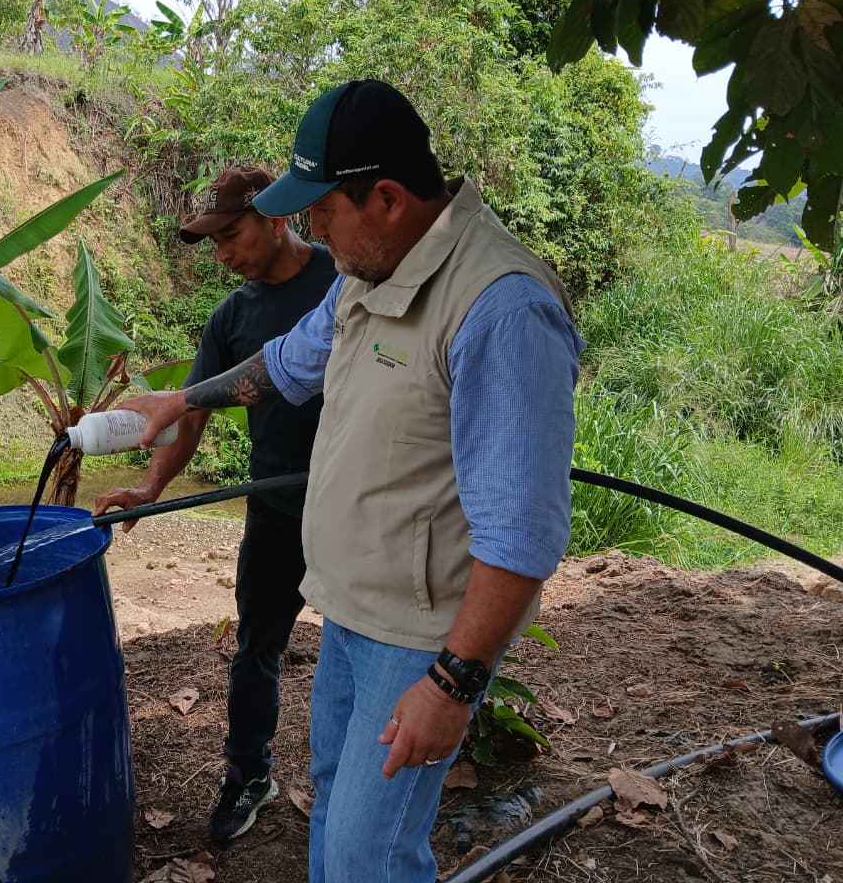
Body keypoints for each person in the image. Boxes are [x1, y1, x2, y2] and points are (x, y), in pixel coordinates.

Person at [115, 80, 584, 883]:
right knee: (334, 812)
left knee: (372, 855)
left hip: (421, 638)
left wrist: (453, 683)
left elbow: (522, 535)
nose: (315, 231)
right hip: (351, 609)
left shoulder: (501, 309)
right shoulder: (367, 273)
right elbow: (290, 364)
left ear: (389, 199)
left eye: (324, 211)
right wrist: (180, 402)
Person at [94, 165, 338, 842]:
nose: (223, 254)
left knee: (364, 638)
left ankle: (369, 777)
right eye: (215, 242)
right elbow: (191, 414)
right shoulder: (232, 317)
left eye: (232, 236)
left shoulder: (344, 280)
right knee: (257, 644)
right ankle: (248, 773)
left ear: (277, 219)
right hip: (274, 505)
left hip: (355, 506)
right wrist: (151, 486)